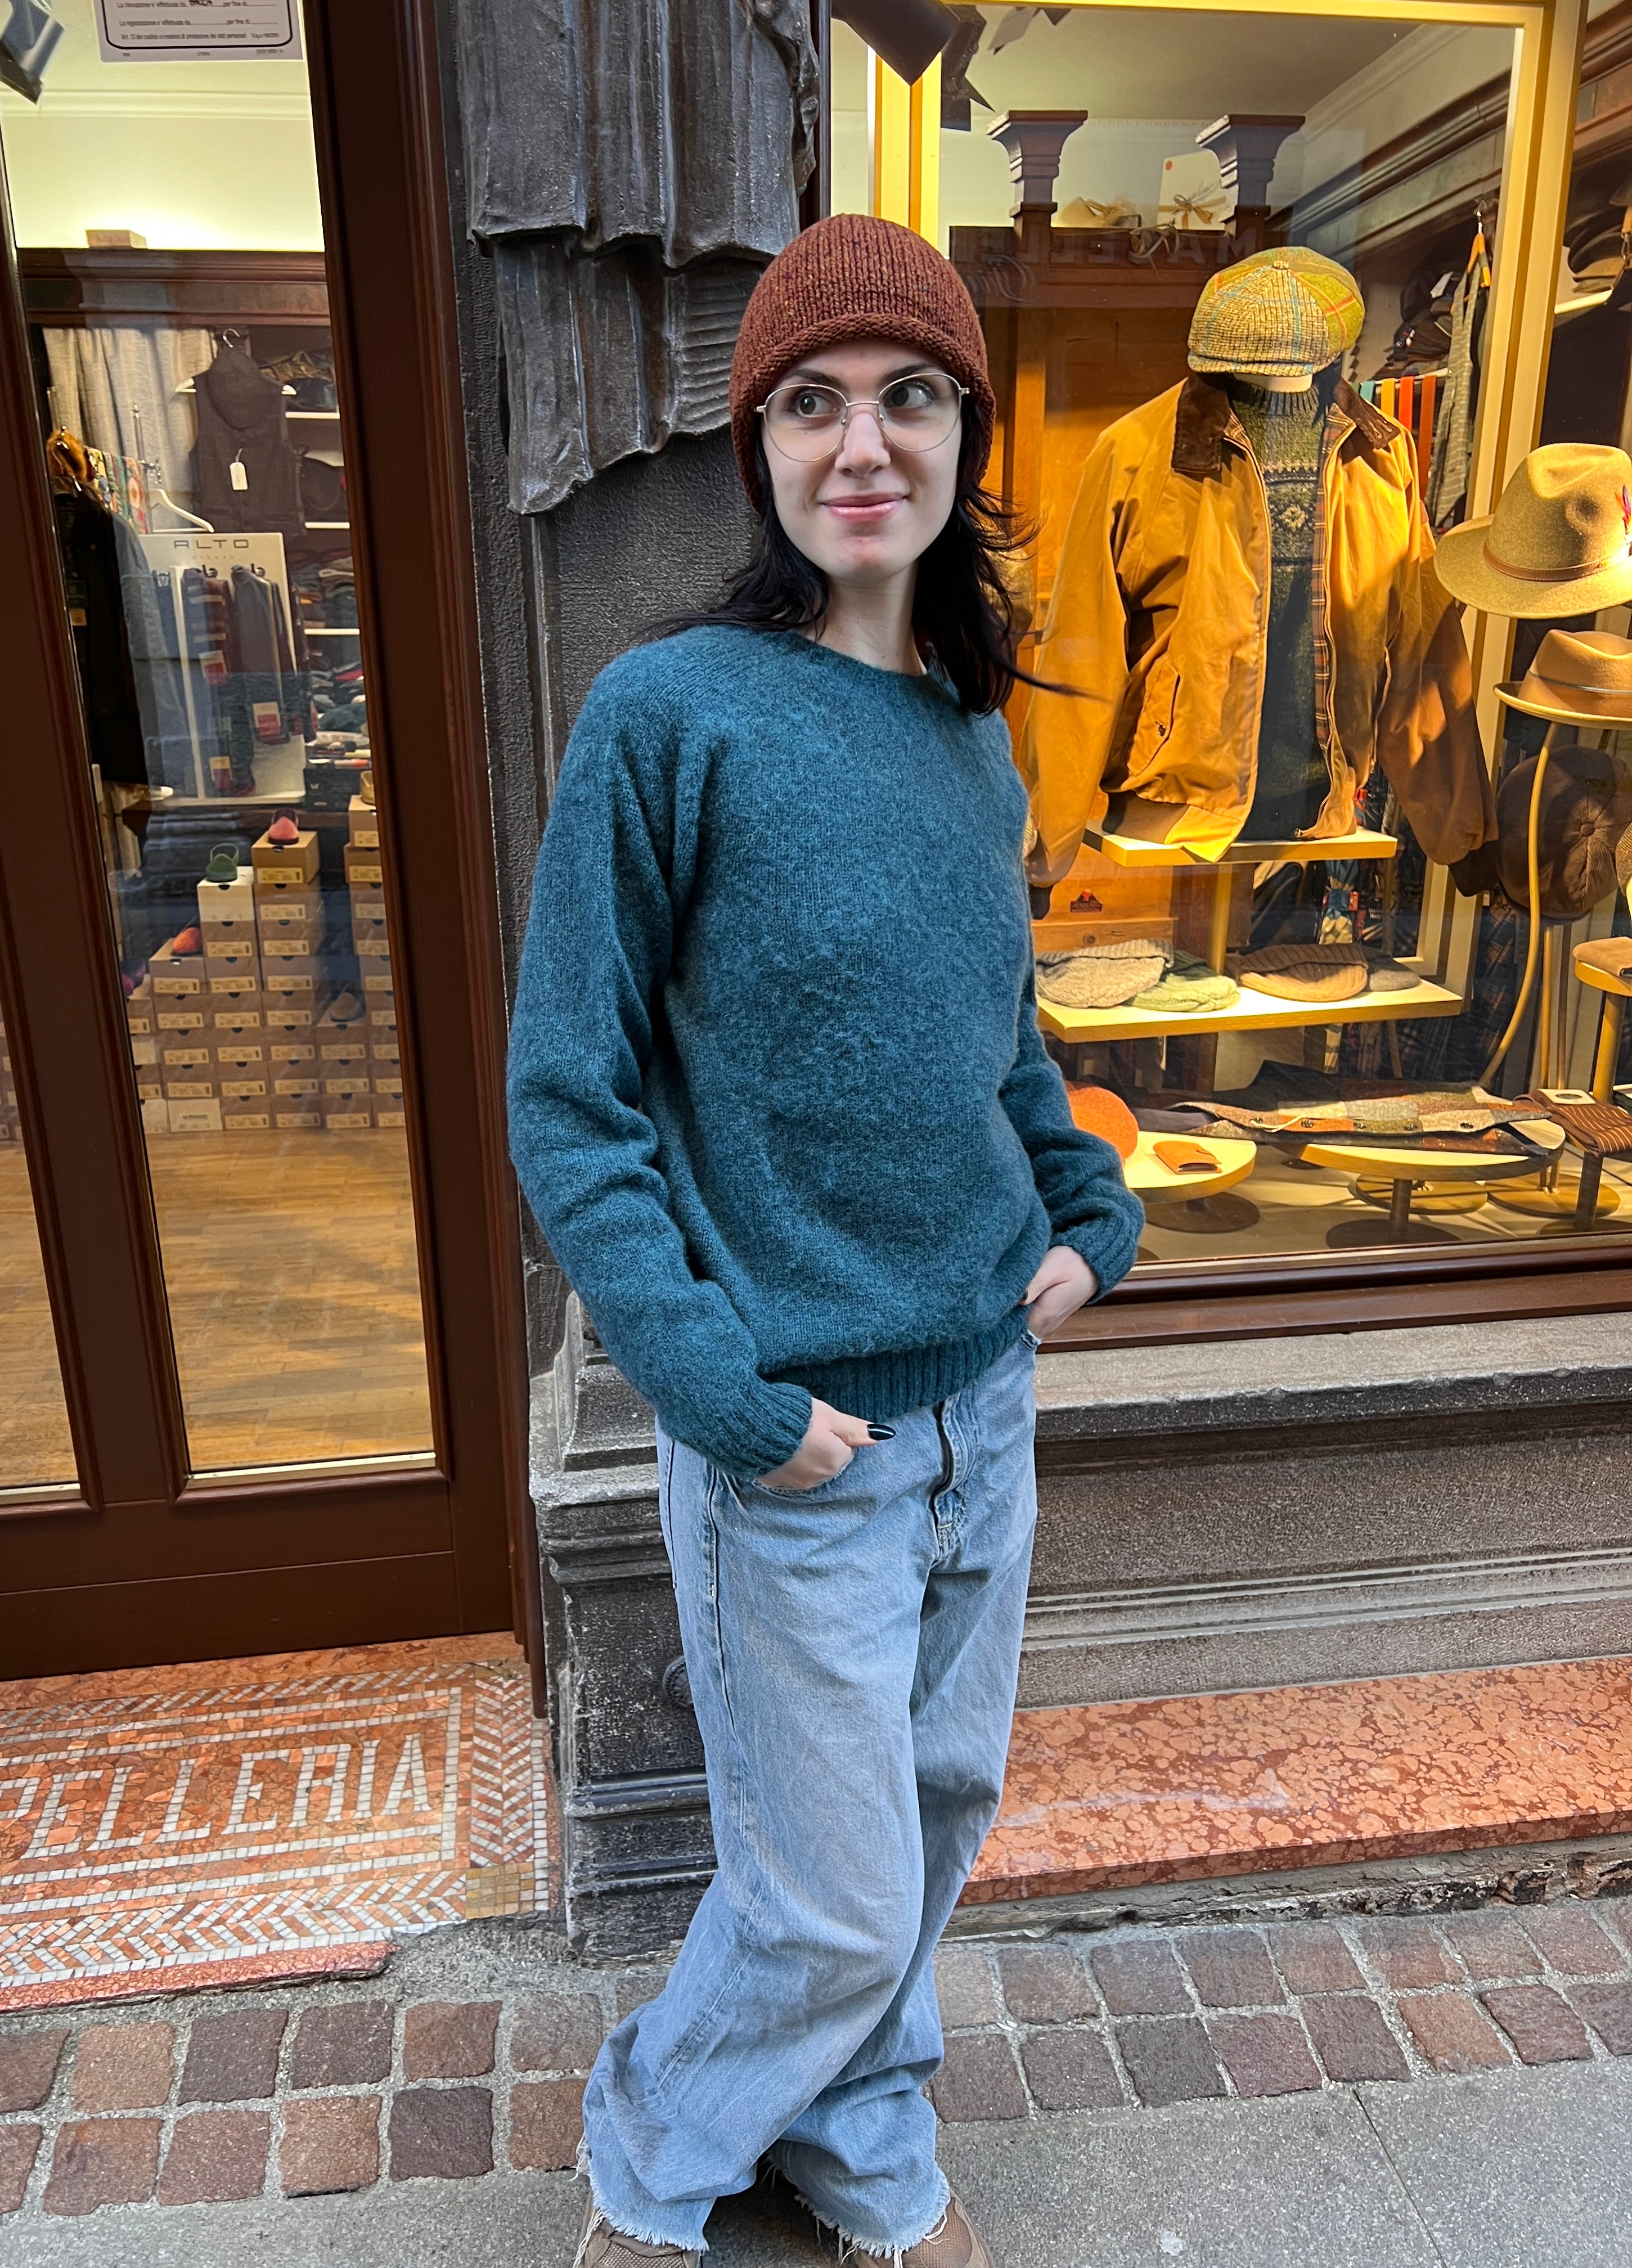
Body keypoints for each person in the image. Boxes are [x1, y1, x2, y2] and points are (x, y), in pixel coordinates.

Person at [507, 213, 1144, 2268]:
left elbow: (1000, 1033)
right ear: (759, 448)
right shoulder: (671, 715)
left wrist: (1088, 1211)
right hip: (802, 1440)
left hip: (984, 1405)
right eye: (811, 403)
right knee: (833, 1893)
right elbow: (569, 1095)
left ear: (965, 435)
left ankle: (863, 2144)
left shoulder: (971, 731)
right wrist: (716, 1390)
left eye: (908, 397)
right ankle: (650, 2159)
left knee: (933, 1827)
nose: (862, 444)